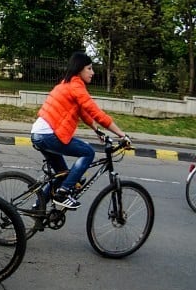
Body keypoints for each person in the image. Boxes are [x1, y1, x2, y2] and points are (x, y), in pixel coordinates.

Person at [31, 51, 130, 210]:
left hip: (39, 133)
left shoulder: (67, 83)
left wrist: (98, 131)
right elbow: (96, 113)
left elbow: (83, 113)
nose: (93, 72)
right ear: (79, 69)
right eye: (89, 68)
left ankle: (38, 207)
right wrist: (122, 134)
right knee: (88, 152)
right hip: (49, 134)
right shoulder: (76, 85)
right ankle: (64, 193)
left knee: (62, 173)